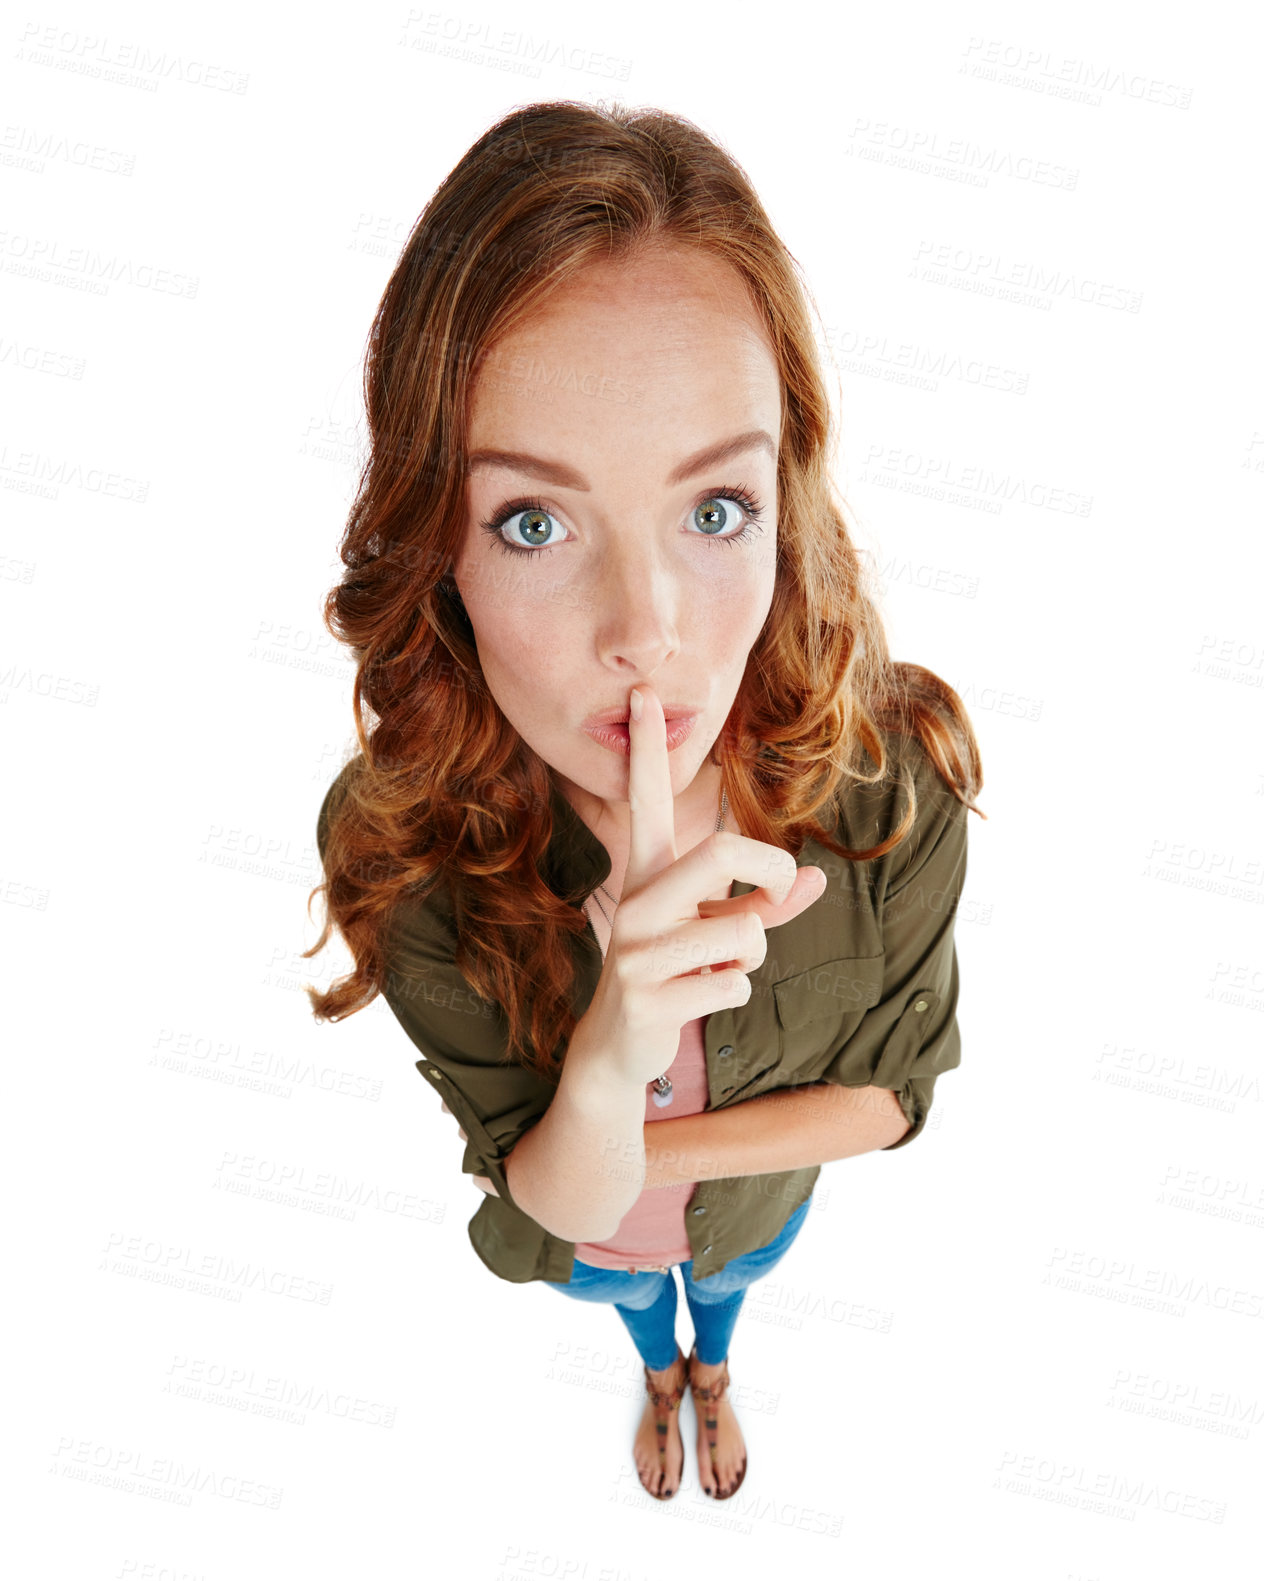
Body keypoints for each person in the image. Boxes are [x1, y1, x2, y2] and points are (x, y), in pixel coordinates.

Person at [306, 100, 985, 1504]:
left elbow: (896, 1103)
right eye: (535, 522)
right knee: (629, 1292)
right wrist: (614, 1042)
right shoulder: (402, 842)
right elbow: (552, 1219)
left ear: (782, 496)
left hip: (748, 1219)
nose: (650, 630)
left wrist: (631, 1141)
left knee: (722, 1283)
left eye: (714, 509)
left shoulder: (891, 773)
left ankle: (710, 1369)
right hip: (600, 1251)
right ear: (439, 542)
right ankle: (654, 1359)